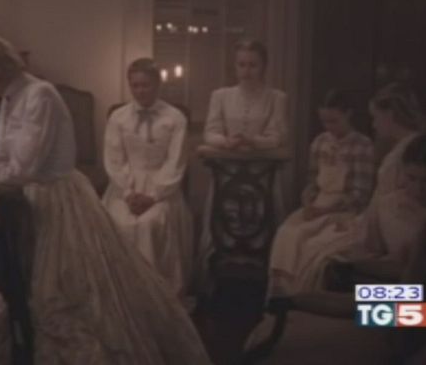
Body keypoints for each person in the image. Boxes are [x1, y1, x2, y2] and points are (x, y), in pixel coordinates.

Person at [0, 31, 212, 364]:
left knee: (62, 298)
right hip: (32, 201)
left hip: (58, 204)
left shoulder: (39, 94)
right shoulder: (11, 98)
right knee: (35, 294)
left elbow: (22, 169)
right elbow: (1, 156)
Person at [244, 81, 426, 351]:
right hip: (419, 296)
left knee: (329, 265)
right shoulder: (414, 199)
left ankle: (299, 319)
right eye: (412, 180)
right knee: (318, 259)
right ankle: (290, 309)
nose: (416, 189)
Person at [197, 39, 288, 295]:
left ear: (264, 66)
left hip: (262, 176)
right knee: (223, 226)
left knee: (261, 227)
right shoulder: (221, 96)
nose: (246, 71)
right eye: (241, 65)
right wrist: (226, 142)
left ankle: (260, 292)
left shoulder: (276, 98)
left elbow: (278, 136)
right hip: (227, 176)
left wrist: (254, 141)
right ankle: (217, 290)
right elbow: (210, 132)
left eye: (252, 65)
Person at [102, 58, 195, 303]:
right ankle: (124, 294)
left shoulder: (175, 118)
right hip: (125, 187)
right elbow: (114, 159)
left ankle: (153, 297)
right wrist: (128, 193)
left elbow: (176, 162)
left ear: (157, 84)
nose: (140, 91)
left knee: (149, 223)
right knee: (119, 223)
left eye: (146, 85)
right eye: (135, 85)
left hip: (162, 188)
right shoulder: (118, 117)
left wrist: (153, 196)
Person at [267, 89, 374, 298]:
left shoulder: (362, 146)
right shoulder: (320, 142)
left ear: (348, 114)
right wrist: (308, 201)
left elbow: (360, 194)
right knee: (287, 233)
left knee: (310, 246)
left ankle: (304, 295)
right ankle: (282, 295)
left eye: (334, 121)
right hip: (318, 204)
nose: (329, 127)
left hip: (345, 211)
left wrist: (325, 211)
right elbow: (313, 181)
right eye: (324, 121)